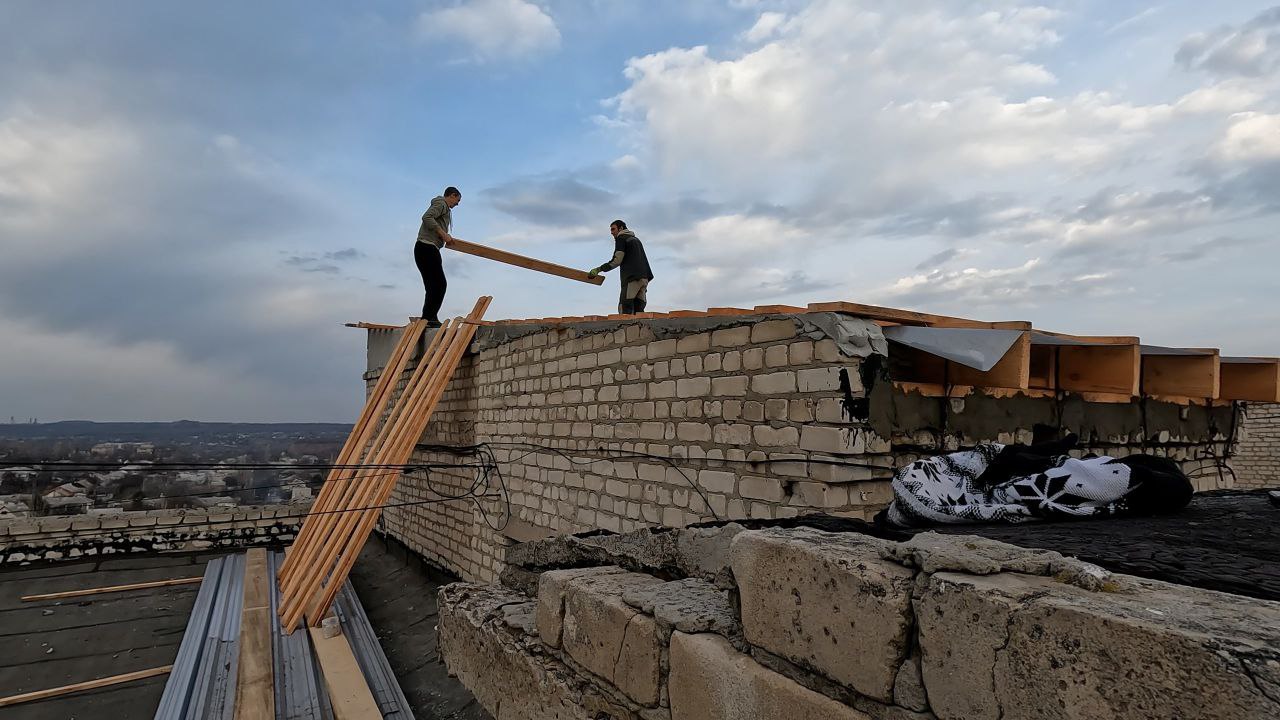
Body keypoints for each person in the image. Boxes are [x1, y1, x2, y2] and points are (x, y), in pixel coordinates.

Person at [414, 187, 461, 327]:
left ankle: (428, 318)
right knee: (439, 284)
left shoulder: (442, 206)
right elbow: (426, 217)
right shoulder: (442, 204)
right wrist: (443, 234)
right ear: (452, 195)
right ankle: (429, 318)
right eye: (457, 200)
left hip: (424, 248)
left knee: (433, 285)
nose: (457, 204)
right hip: (427, 247)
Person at [588, 220, 654, 314]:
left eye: (613, 229)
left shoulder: (621, 238)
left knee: (624, 310)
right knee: (639, 312)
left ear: (621, 228)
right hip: (644, 279)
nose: (611, 232)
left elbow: (617, 260)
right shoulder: (636, 240)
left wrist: (599, 269)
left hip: (632, 279)